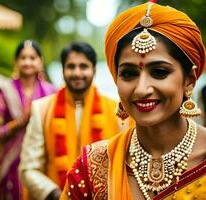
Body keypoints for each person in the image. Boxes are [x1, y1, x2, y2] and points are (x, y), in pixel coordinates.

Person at [61, 2, 206, 199]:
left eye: (159, 72)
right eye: (129, 74)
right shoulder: (93, 166)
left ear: (189, 80)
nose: (141, 89)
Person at [19, 42, 129, 200]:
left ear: (94, 70)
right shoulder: (42, 109)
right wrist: (56, 194)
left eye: (83, 66)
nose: (77, 73)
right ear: (63, 71)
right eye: (71, 67)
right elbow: (28, 168)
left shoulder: (118, 110)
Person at [0, 39, 56, 200]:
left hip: (41, 161)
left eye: (32, 58)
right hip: (11, 163)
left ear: (40, 62)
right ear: (16, 62)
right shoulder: (4, 90)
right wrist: (19, 122)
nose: (27, 62)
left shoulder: (51, 92)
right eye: (23, 57)